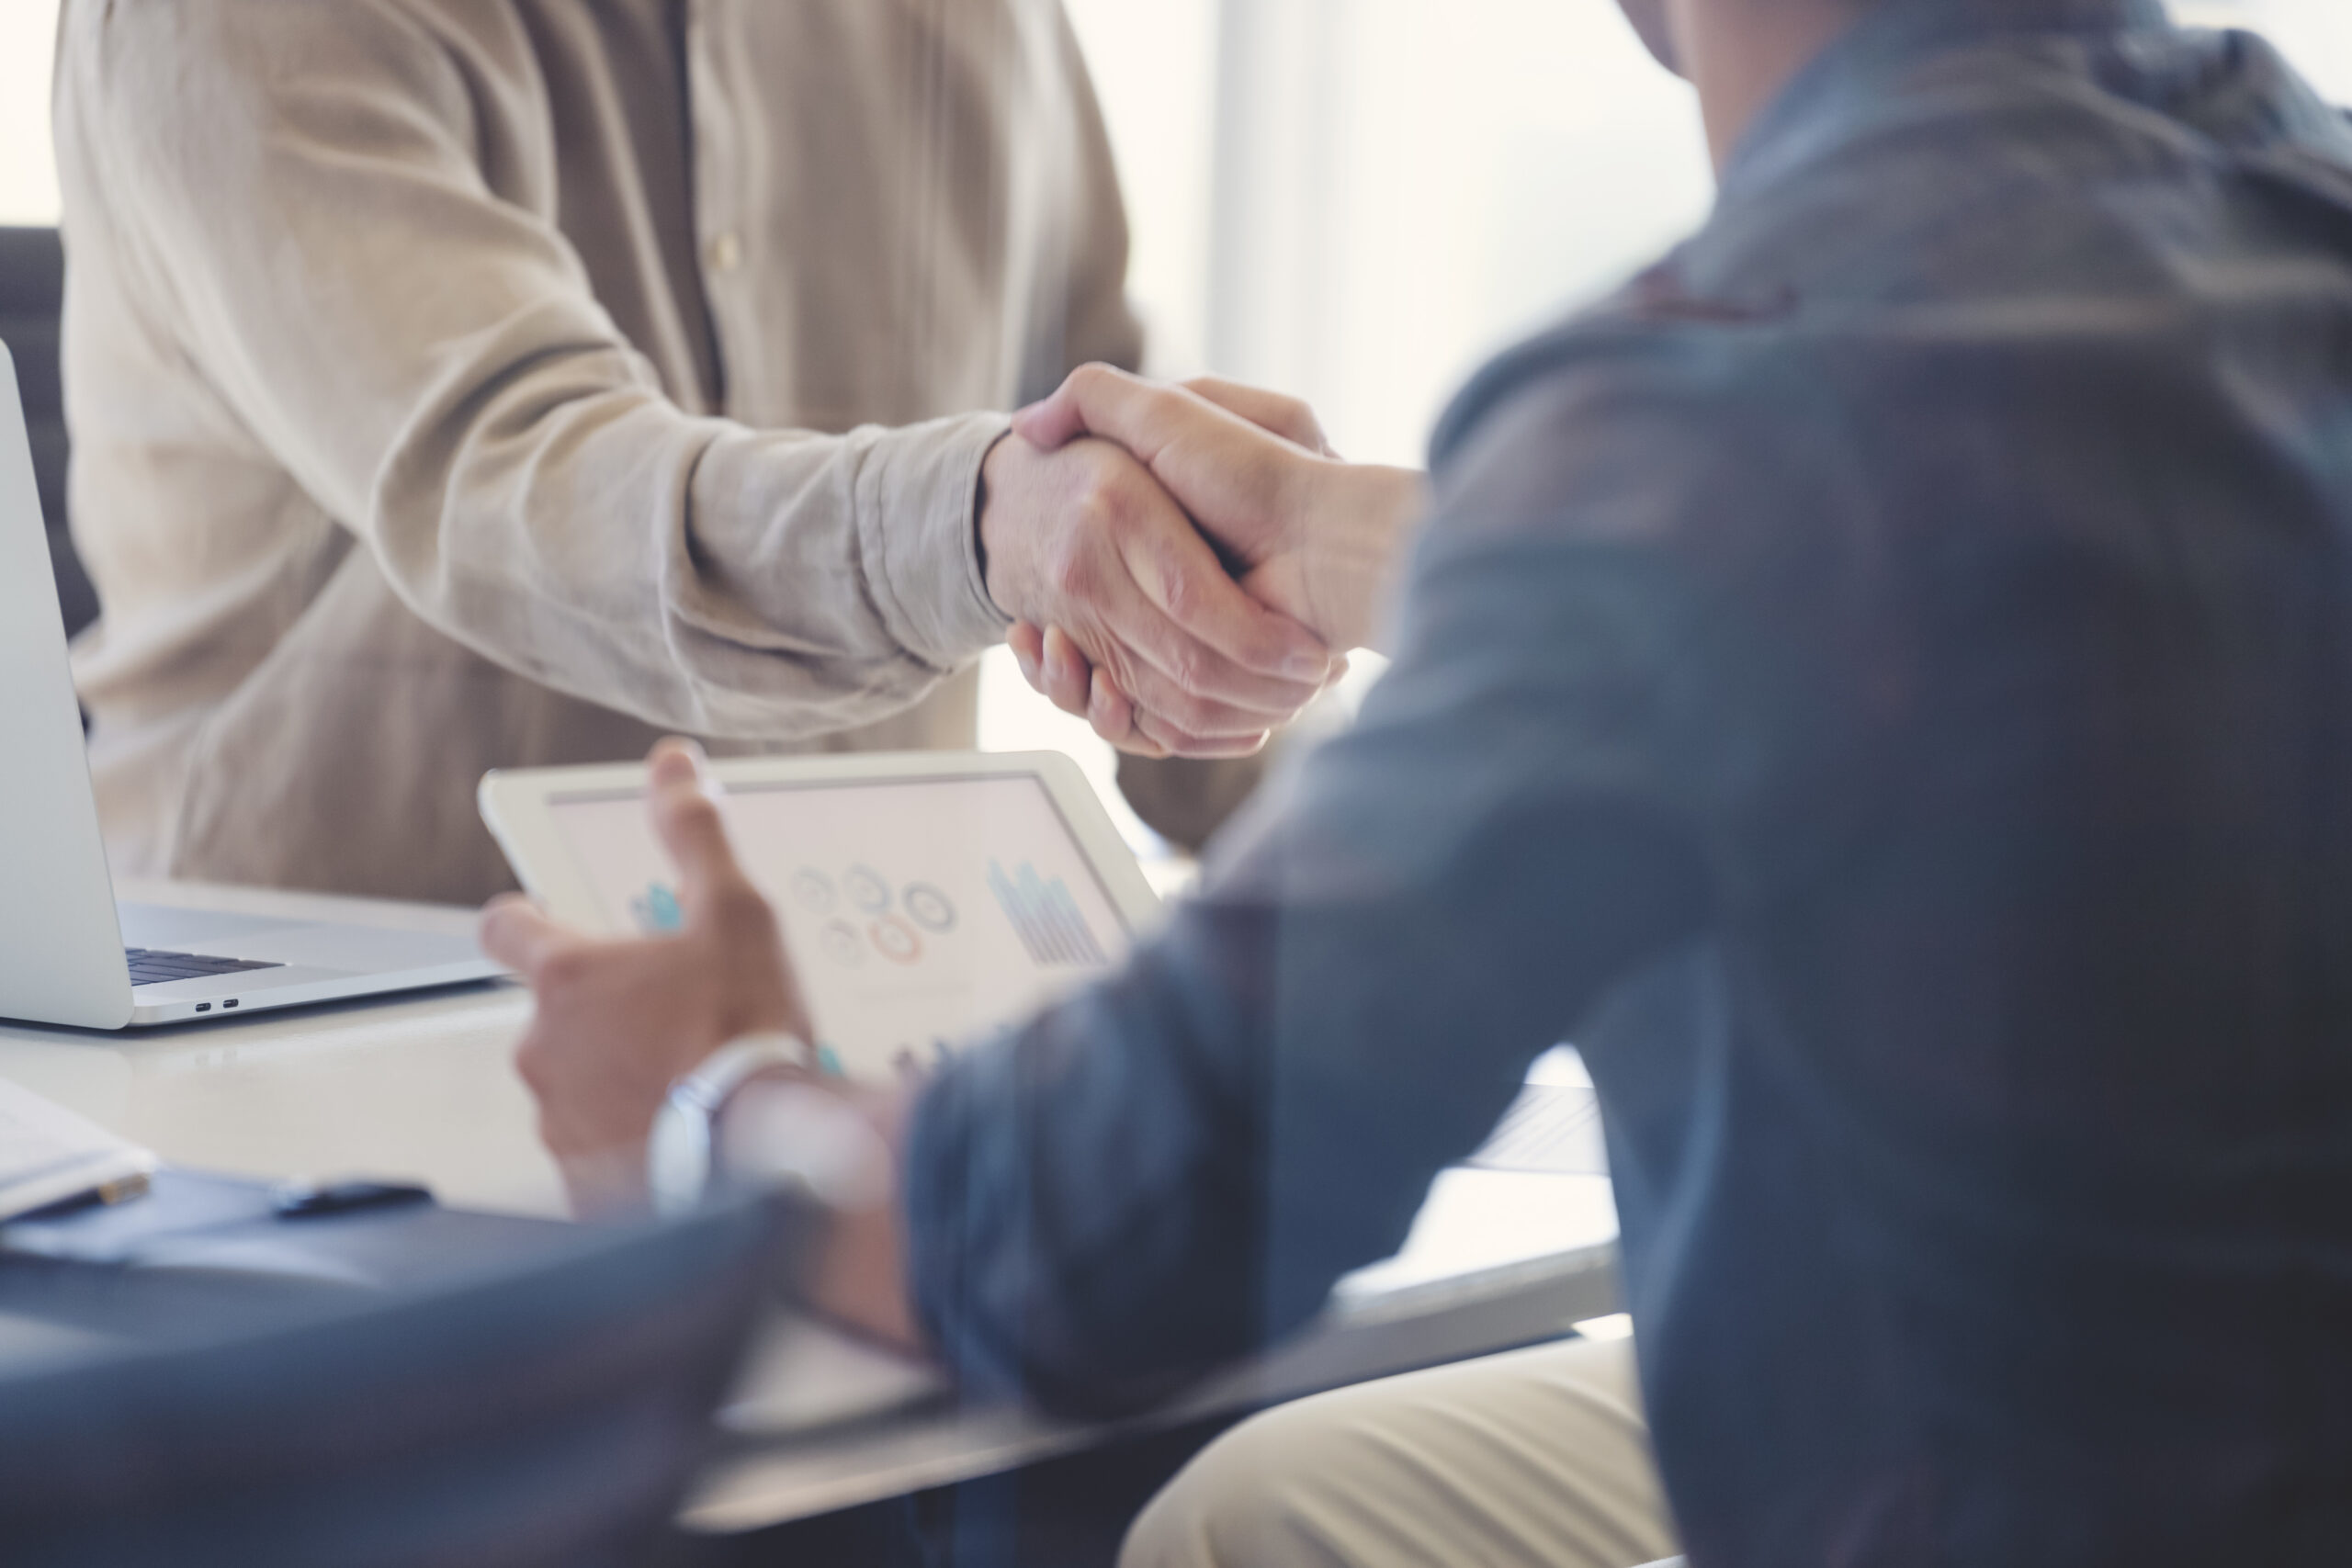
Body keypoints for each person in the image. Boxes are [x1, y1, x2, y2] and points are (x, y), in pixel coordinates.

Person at [488, 0, 2352, 1562]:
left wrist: (717, 1099)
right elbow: (1931, 557)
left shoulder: (1708, 405)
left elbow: (1127, 1211)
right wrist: (1359, 536)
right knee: (1292, 1503)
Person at [48, 0, 1340, 906]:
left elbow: (1130, 462)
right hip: (321, 1038)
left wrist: (1377, 869)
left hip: (878, 1006)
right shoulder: (217, 22)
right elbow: (522, 479)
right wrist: (989, 525)